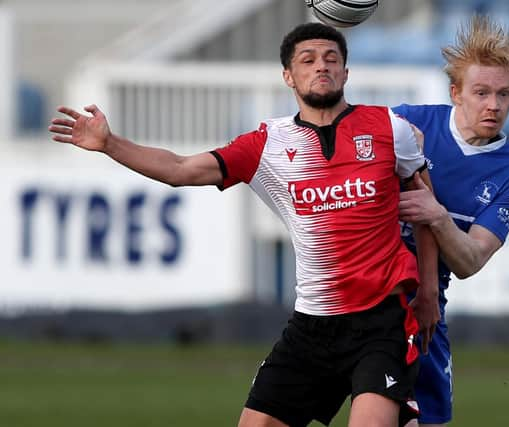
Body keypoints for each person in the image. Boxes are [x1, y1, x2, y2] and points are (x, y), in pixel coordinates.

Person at [49, 23, 440, 427]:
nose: (321, 67)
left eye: (331, 59)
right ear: (289, 76)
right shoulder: (266, 144)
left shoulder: (389, 129)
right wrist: (111, 144)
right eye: (308, 61)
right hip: (313, 323)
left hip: (381, 320)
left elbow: (427, 212)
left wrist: (427, 292)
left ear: (345, 72)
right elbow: (180, 169)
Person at [392, 15, 509, 427]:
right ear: (456, 93)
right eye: (482, 92)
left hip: (424, 305)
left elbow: (470, 260)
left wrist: (436, 215)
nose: (493, 105)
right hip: (362, 292)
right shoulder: (407, 123)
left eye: (504, 94)